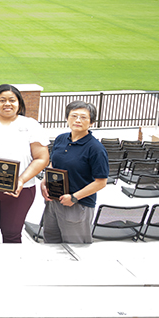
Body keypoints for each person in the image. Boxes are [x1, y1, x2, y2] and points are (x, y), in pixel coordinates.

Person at [0, 84, 50, 243]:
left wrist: (21, 180)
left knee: (12, 233)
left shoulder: (30, 125)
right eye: (2, 100)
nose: (7, 104)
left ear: (19, 103)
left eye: (12, 100)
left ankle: (11, 267)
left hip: (20, 190)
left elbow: (42, 158)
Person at [41, 101, 108, 244]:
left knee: (75, 248)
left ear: (91, 122)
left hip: (77, 205)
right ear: (67, 118)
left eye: (83, 117)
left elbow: (101, 182)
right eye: (74, 116)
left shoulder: (96, 148)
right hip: (54, 201)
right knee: (50, 243)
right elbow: (54, 163)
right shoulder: (61, 138)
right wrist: (44, 181)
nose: (77, 120)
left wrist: (74, 197)